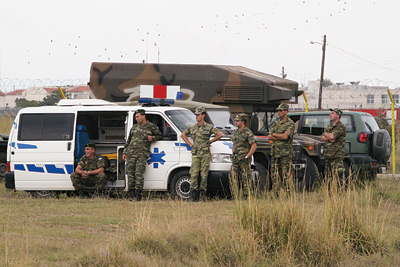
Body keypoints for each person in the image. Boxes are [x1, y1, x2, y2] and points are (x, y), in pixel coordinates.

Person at [181, 107, 223, 201]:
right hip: (196, 154)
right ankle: (193, 194)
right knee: (194, 174)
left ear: (203, 115)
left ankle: (202, 194)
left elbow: (220, 134)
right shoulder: (192, 127)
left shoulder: (209, 127)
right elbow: (183, 135)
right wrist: (189, 144)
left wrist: (210, 141)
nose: (196, 116)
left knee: (204, 175)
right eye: (195, 115)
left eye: (198, 115)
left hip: (204, 154)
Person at [122, 109, 162, 201]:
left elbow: (160, 135)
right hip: (131, 154)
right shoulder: (134, 127)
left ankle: (138, 194)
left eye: (138, 117)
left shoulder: (151, 127)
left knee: (139, 174)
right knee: (131, 174)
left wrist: (153, 138)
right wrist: (125, 152)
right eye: (135, 117)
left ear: (143, 116)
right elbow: (129, 141)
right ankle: (131, 194)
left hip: (141, 154)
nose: (136, 119)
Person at [267, 103, 295, 190]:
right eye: (278, 111)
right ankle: (276, 192)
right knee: (275, 174)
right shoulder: (276, 122)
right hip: (275, 152)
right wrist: (279, 135)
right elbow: (269, 136)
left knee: (286, 174)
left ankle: (287, 192)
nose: (279, 112)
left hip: (285, 153)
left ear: (286, 111)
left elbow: (286, 137)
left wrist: (275, 135)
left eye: (281, 110)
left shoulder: (290, 123)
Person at [230, 113, 257, 198]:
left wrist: (247, 156)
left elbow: (254, 145)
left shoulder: (247, 132)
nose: (235, 122)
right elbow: (234, 144)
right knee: (233, 176)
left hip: (244, 159)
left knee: (246, 178)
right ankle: (235, 195)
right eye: (235, 121)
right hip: (236, 158)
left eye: (237, 121)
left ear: (242, 122)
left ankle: (246, 195)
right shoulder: (236, 132)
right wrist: (233, 153)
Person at [321, 108, 346, 182]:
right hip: (328, 155)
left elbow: (332, 136)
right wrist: (327, 136)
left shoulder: (340, 126)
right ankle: (330, 192)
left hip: (336, 156)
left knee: (338, 177)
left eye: (332, 113)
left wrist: (328, 136)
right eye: (330, 113)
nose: (330, 114)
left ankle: (339, 192)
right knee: (328, 178)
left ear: (337, 116)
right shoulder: (329, 127)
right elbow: (322, 138)